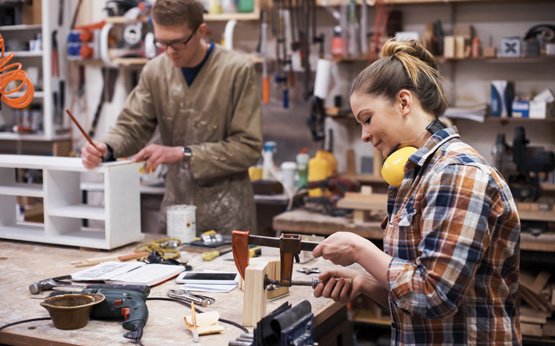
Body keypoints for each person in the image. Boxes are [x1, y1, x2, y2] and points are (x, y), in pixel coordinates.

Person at [312, 39, 521, 345]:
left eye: (367, 119)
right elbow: (418, 301)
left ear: (404, 102)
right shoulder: (418, 175)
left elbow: (434, 296)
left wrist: (360, 250)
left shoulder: (457, 174)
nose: (365, 135)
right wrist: (364, 282)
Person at [81, 0, 263, 234]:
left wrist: (182, 153)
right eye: (161, 42)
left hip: (228, 217)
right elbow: (131, 126)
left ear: (201, 31)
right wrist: (106, 146)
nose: (168, 51)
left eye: (177, 43)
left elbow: (248, 148)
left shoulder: (237, 70)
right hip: (177, 211)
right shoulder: (155, 71)